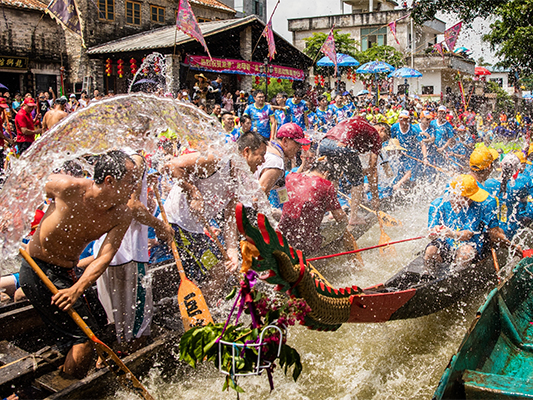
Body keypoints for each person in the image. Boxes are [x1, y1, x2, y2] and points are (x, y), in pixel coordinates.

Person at [19, 150, 138, 378]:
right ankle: (70, 388)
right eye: (131, 181)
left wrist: (77, 288)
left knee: (102, 323)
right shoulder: (67, 187)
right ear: (110, 181)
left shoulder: (122, 214)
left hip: (69, 274)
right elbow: (24, 186)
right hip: (37, 269)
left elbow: (105, 256)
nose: (135, 186)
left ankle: (80, 370)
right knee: (86, 338)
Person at [91, 153, 174, 349]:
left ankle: (110, 361)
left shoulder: (112, 156)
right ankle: (131, 369)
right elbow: (133, 206)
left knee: (114, 323)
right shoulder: (135, 161)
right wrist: (160, 226)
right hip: (129, 254)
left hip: (105, 252)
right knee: (136, 330)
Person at [278, 154, 359, 263]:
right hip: (306, 243)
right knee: (342, 226)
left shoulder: (290, 177)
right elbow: (339, 217)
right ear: (326, 173)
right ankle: (350, 264)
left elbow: (282, 198)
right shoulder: (326, 185)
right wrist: (345, 219)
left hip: (283, 237)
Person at [318, 117, 391, 226]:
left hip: (324, 144)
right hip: (341, 146)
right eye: (384, 139)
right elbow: (373, 170)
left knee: (334, 178)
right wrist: (375, 198)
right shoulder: (374, 134)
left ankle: (332, 212)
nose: (381, 143)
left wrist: (363, 170)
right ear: (381, 129)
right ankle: (354, 217)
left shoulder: (362, 124)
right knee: (358, 182)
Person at [424, 174, 490, 274]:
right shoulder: (437, 205)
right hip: (446, 244)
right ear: (459, 196)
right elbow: (430, 232)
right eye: (470, 197)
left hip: (468, 245)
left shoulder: (476, 208)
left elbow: (468, 234)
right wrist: (435, 231)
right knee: (430, 251)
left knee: (465, 253)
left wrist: (451, 233)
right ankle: (429, 275)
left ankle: (455, 276)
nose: (473, 200)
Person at [255, 123, 311, 209]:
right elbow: (258, 196)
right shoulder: (276, 162)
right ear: (285, 141)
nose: (300, 148)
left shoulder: (270, 147)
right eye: (297, 144)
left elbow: (281, 188)